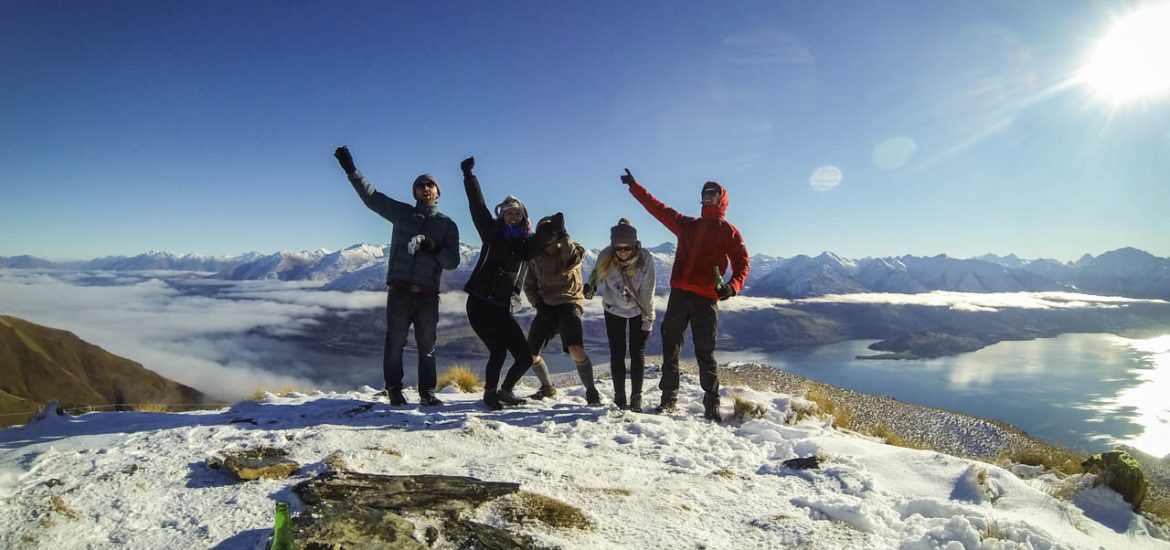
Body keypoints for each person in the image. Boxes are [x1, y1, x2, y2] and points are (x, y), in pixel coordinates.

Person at [334, 146, 460, 407]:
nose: (425, 188)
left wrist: (433, 247)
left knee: (427, 346)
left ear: (438, 192)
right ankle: (394, 389)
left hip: (427, 295)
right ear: (414, 192)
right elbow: (372, 198)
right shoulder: (402, 213)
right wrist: (351, 170)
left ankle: (427, 393)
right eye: (420, 185)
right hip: (400, 292)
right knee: (394, 344)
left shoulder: (447, 225)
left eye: (430, 185)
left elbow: (452, 262)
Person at [620, 168, 750, 421]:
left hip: (705, 299)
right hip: (679, 295)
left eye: (712, 194)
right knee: (671, 348)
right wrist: (635, 187)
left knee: (705, 352)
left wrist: (732, 286)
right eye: (704, 194)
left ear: (721, 199)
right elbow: (657, 208)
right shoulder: (686, 225)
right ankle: (668, 400)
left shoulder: (728, 231)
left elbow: (742, 263)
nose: (707, 197)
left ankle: (711, 405)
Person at [460, 156, 556, 410]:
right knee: (498, 351)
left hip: (503, 307)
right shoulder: (491, 234)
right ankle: (490, 392)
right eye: (508, 212)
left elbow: (540, 242)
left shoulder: (526, 244)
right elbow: (477, 205)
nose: (513, 215)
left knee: (524, 357)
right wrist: (469, 176)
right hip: (480, 303)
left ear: (524, 216)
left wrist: (550, 230)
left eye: (517, 212)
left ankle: (506, 390)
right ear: (501, 216)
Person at [522, 213, 601, 405]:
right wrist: (539, 304)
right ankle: (547, 387)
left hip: (569, 303)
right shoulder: (534, 257)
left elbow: (571, 259)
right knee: (529, 355)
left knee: (575, 347)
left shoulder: (574, 248)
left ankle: (591, 390)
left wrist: (564, 236)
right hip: (546, 306)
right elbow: (529, 284)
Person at [583, 218, 656, 412]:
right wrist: (590, 287)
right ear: (612, 246)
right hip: (613, 308)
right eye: (618, 248)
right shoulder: (606, 256)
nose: (622, 252)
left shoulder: (645, 259)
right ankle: (620, 397)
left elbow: (648, 291)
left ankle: (636, 397)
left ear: (634, 246)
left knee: (637, 354)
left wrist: (648, 319)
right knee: (617, 353)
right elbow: (595, 277)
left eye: (627, 248)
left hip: (638, 311)